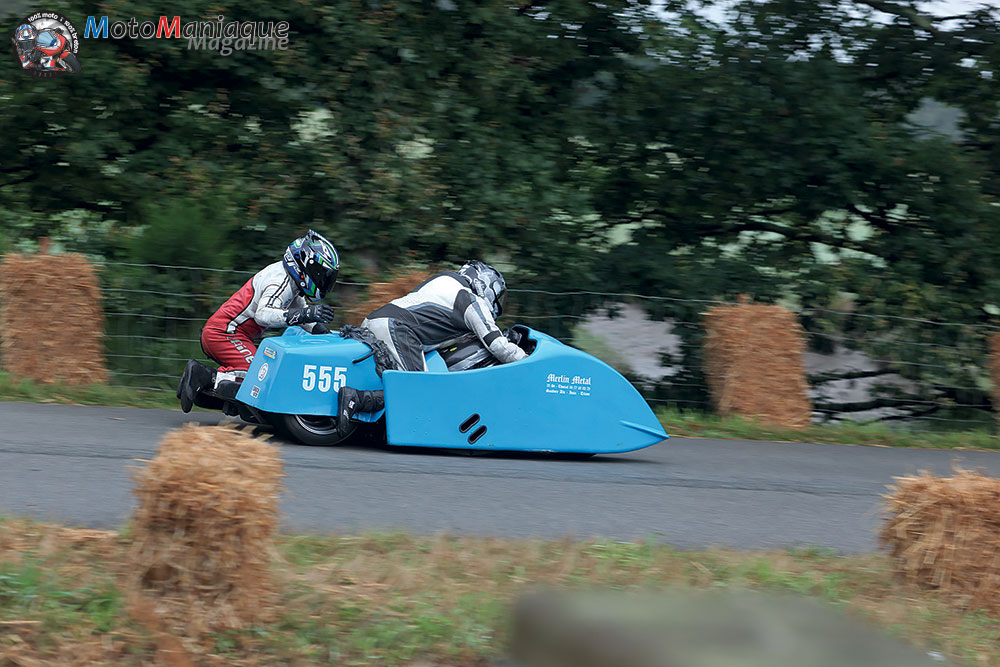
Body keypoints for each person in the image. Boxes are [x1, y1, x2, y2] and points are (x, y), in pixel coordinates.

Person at [336, 260, 525, 434]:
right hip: (398, 330)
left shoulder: (445, 279)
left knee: (396, 383)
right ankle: (356, 399)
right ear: (486, 285)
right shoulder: (471, 301)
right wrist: (526, 362)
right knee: (418, 391)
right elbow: (498, 345)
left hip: (375, 321)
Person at [177, 229, 340, 412]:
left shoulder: (290, 280)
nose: (323, 281)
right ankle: (202, 376)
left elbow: (301, 314)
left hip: (230, 333)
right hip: (224, 333)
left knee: (265, 374)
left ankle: (205, 388)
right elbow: (263, 315)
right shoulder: (280, 281)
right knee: (261, 375)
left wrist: (329, 335)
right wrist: (305, 314)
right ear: (306, 265)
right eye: (321, 274)